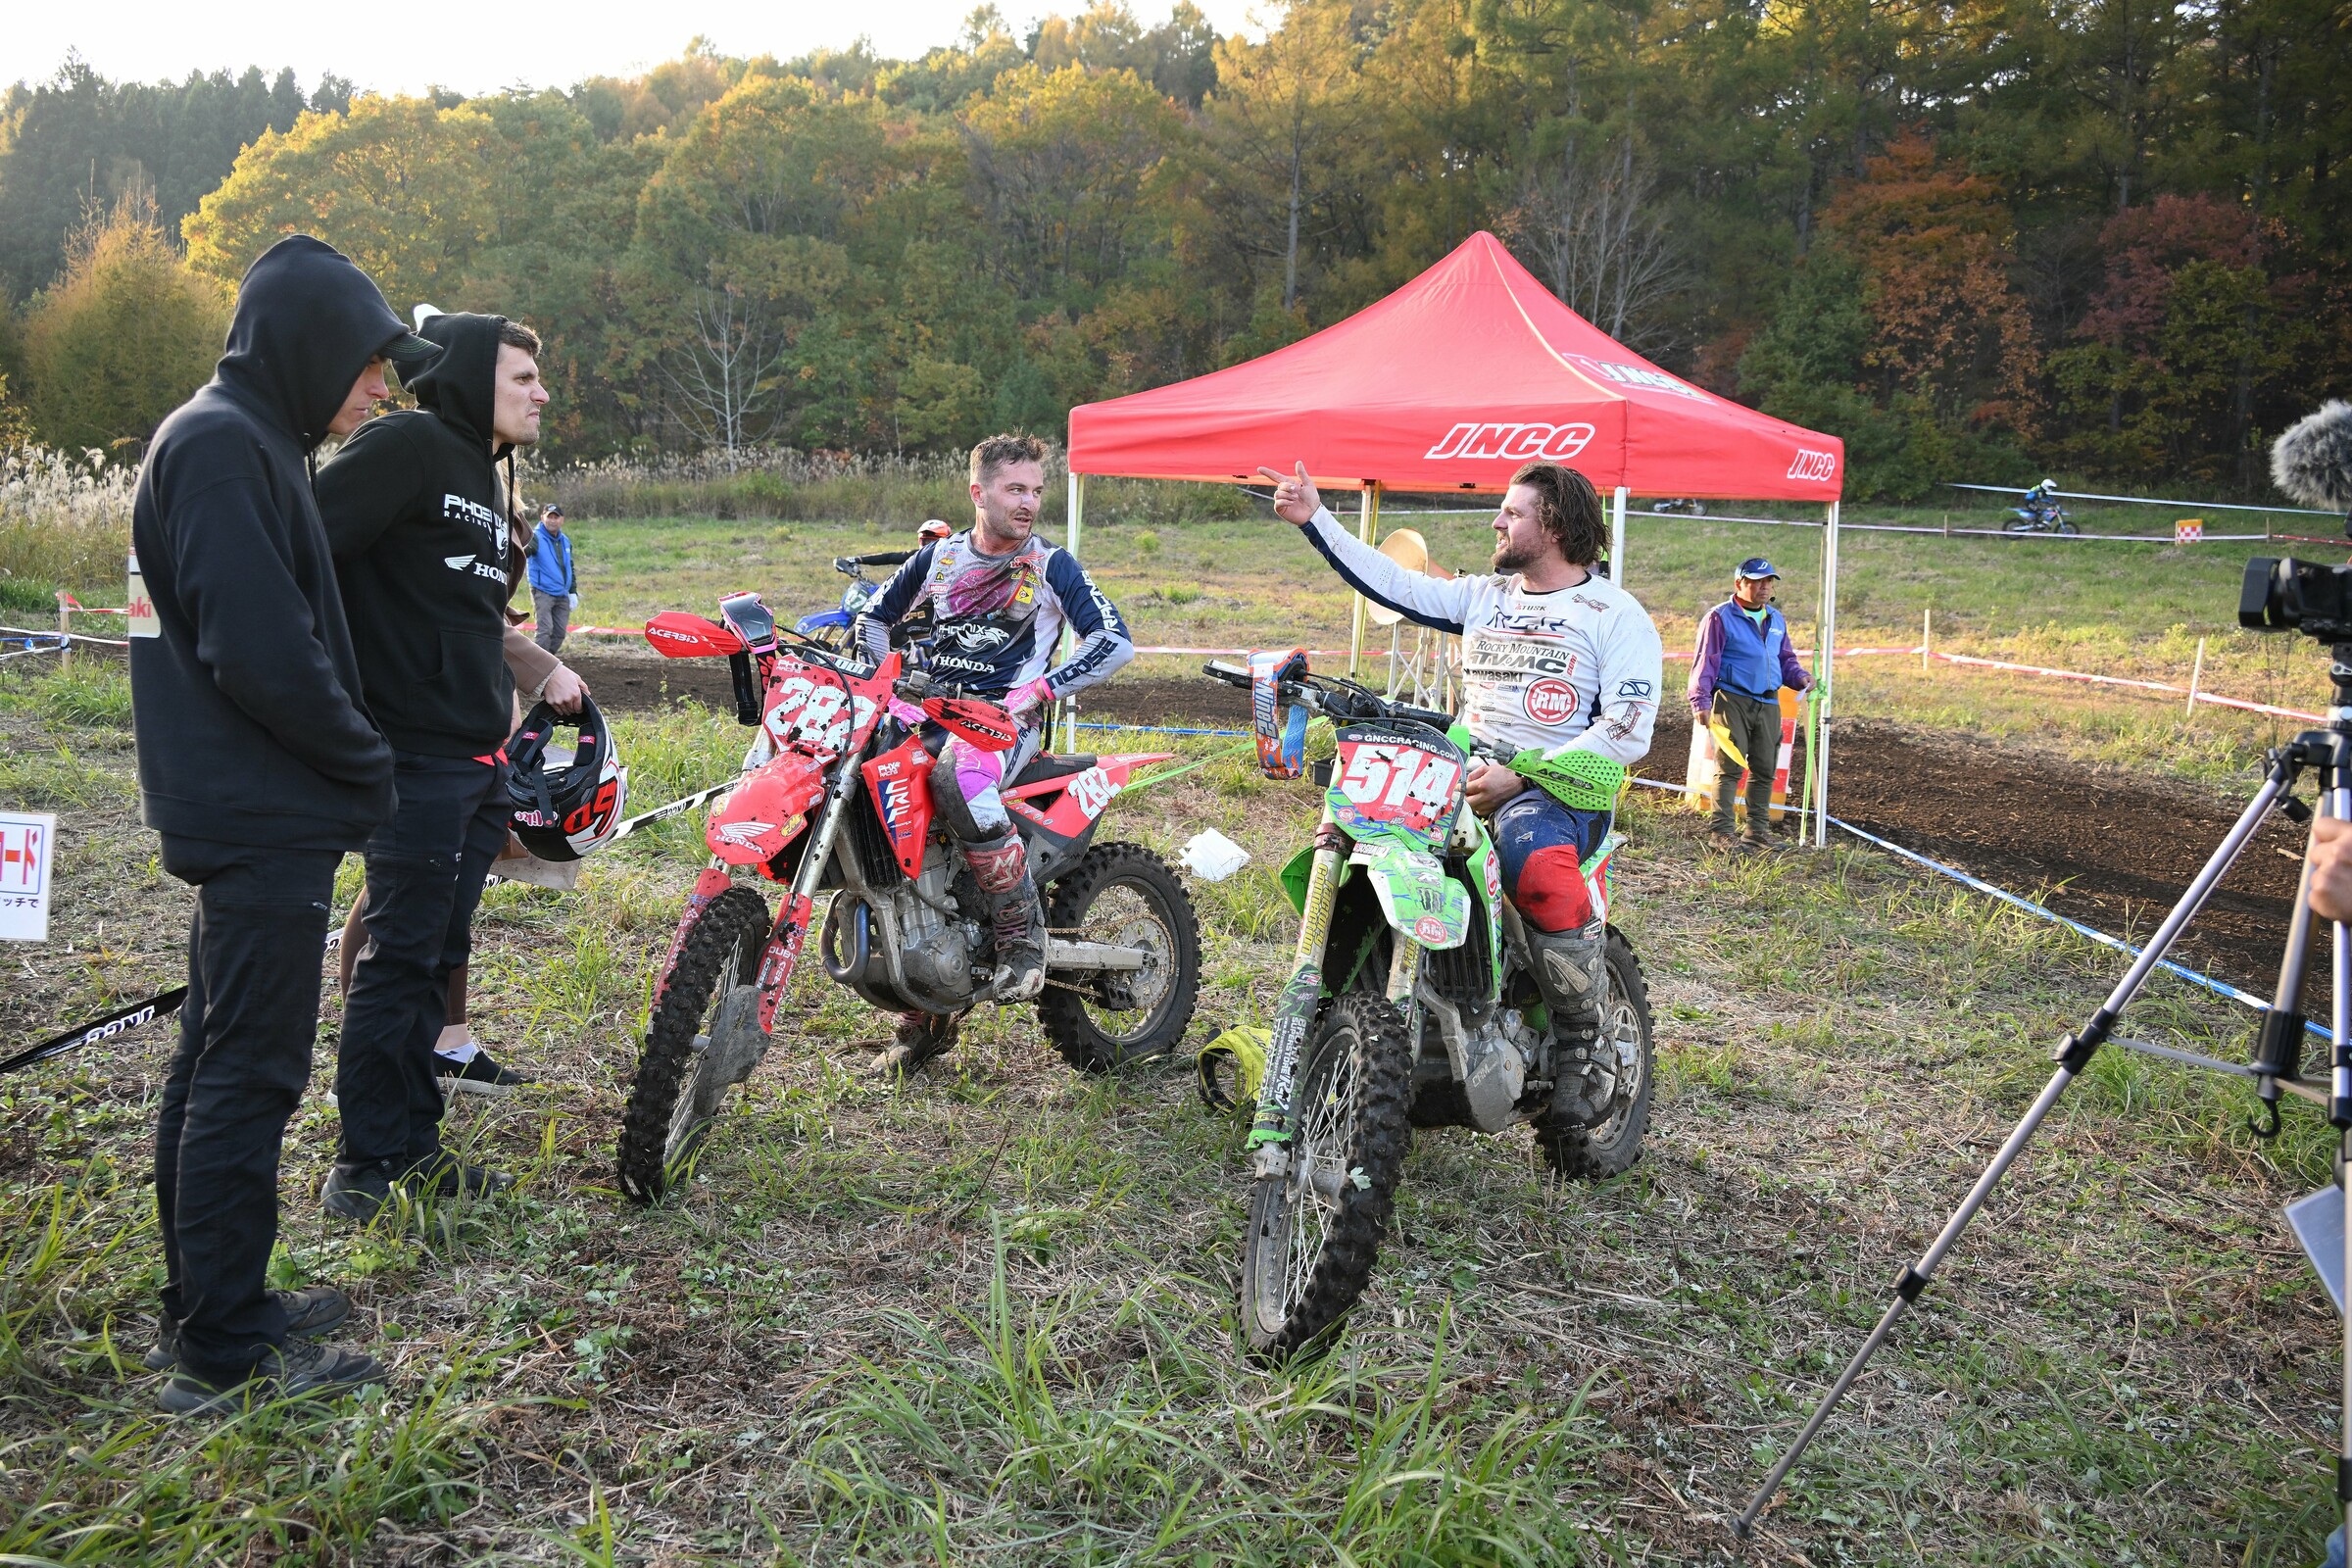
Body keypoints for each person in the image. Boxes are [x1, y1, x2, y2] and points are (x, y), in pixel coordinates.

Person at [128, 233, 437, 1413]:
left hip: (259, 802)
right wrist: (367, 762)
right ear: (309, 348)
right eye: (367, 363)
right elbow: (260, 650)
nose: (378, 388)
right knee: (249, 1072)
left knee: (217, 1054)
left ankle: (213, 1297)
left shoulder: (243, 441)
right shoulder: (219, 449)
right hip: (261, 808)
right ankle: (223, 1344)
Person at [1258, 457, 1663, 1092]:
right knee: (1368, 838)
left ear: (1553, 525)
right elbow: (1395, 583)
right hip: (1459, 775)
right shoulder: (1486, 598)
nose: (1497, 521)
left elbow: (1627, 728)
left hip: (1560, 794)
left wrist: (1525, 777)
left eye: (1513, 511)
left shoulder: (1613, 614)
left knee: (1530, 856)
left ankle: (1586, 1044)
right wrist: (1316, 519)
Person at [313, 309, 575, 1220]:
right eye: (520, 380)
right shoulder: (408, 446)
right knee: (397, 957)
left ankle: (415, 1144)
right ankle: (366, 1166)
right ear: (466, 381)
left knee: (437, 953)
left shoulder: (474, 469)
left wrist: (532, 676)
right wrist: (342, 697)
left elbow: (462, 612)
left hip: (476, 759)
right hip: (412, 756)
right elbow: (307, 550)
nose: (541, 393)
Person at [857, 435, 1135, 1073]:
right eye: (1016, 489)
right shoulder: (939, 559)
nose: (1030, 502)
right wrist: (890, 686)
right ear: (978, 493)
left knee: (959, 782)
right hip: (928, 715)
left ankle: (1023, 940)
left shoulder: (1051, 564)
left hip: (1003, 726)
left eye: (1037, 490)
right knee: (875, 792)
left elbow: (1114, 643)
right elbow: (873, 620)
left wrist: (1037, 691)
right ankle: (923, 990)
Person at [1687, 557, 1814, 848]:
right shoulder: (1719, 617)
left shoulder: (1776, 618)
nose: (1764, 587)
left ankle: (1756, 831)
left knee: (1765, 768)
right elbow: (1705, 662)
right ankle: (1721, 832)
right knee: (1730, 766)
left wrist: (1801, 677)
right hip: (1732, 700)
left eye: (1768, 581)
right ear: (1739, 584)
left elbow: (1785, 660)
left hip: (1769, 703)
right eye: (1756, 581)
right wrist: (1700, 700)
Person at [527, 503, 576, 655]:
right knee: (544, 630)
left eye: (556, 517)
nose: (552, 520)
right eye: (549, 517)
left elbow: (570, 566)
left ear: (562, 520)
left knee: (559, 633)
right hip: (543, 591)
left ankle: (547, 663)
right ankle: (538, 666)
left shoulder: (565, 541)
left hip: (562, 593)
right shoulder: (535, 537)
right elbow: (523, 552)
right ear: (542, 518)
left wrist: (573, 591)